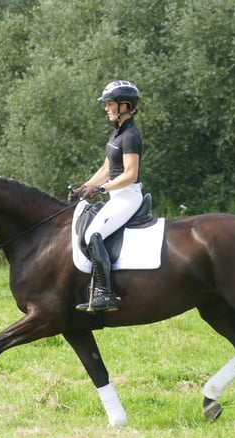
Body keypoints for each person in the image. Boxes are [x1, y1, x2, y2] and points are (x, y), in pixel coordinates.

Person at [70, 80, 143, 313]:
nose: (106, 108)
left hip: (128, 196)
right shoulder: (116, 133)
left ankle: (105, 294)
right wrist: (83, 188)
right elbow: (106, 169)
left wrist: (102, 189)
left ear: (124, 106)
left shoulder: (131, 135)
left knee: (93, 234)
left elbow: (130, 174)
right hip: (116, 194)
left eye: (110, 104)